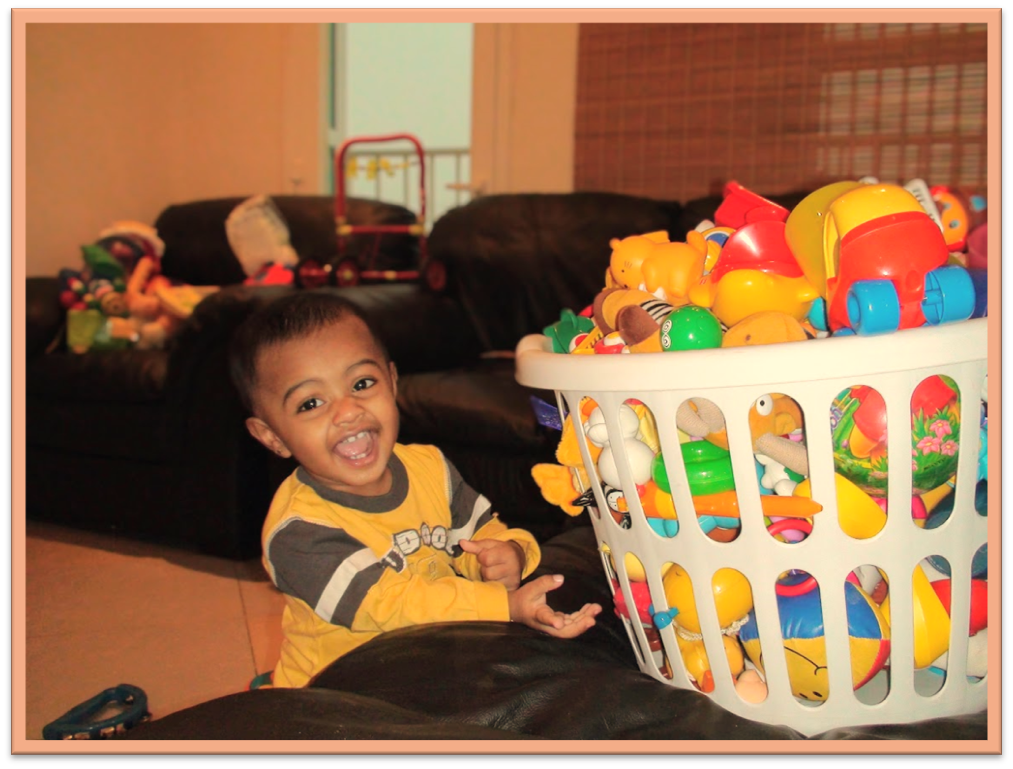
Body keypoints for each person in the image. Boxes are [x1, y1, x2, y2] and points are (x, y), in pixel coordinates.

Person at [229, 291, 602, 688]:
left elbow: (481, 533)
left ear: (391, 382)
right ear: (272, 437)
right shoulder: (298, 532)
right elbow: (390, 604)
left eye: (362, 383)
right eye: (311, 403)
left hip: (430, 663)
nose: (348, 411)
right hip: (336, 693)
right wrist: (503, 605)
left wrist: (509, 553)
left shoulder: (430, 467)